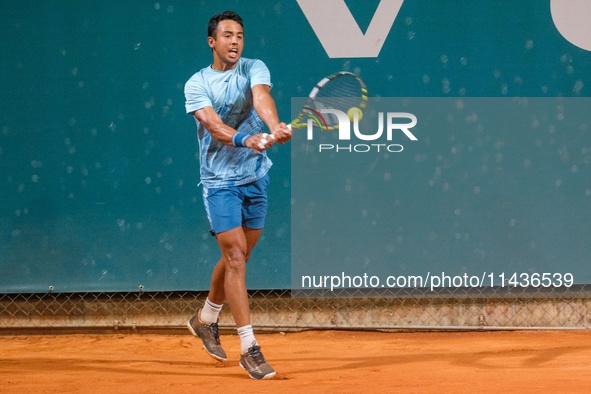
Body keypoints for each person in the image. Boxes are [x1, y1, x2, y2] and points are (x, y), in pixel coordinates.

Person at [183, 11, 291, 380]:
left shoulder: (253, 67)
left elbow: (261, 97)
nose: (235, 42)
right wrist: (247, 138)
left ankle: (206, 319)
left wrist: (274, 126)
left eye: (240, 36)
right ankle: (250, 348)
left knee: (241, 255)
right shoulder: (196, 84)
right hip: (219, 183)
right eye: (227, 35)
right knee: (235, 259)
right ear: (212, 41)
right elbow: (213, 125)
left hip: (256, 177)